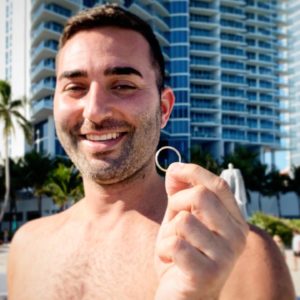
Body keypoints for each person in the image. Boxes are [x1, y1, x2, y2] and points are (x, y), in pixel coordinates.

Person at [8, 4, 295, 299]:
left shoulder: (234, 254)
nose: (93, 111)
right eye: (75, 87)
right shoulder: (27, 246)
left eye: (122, 85)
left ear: (164, 108)